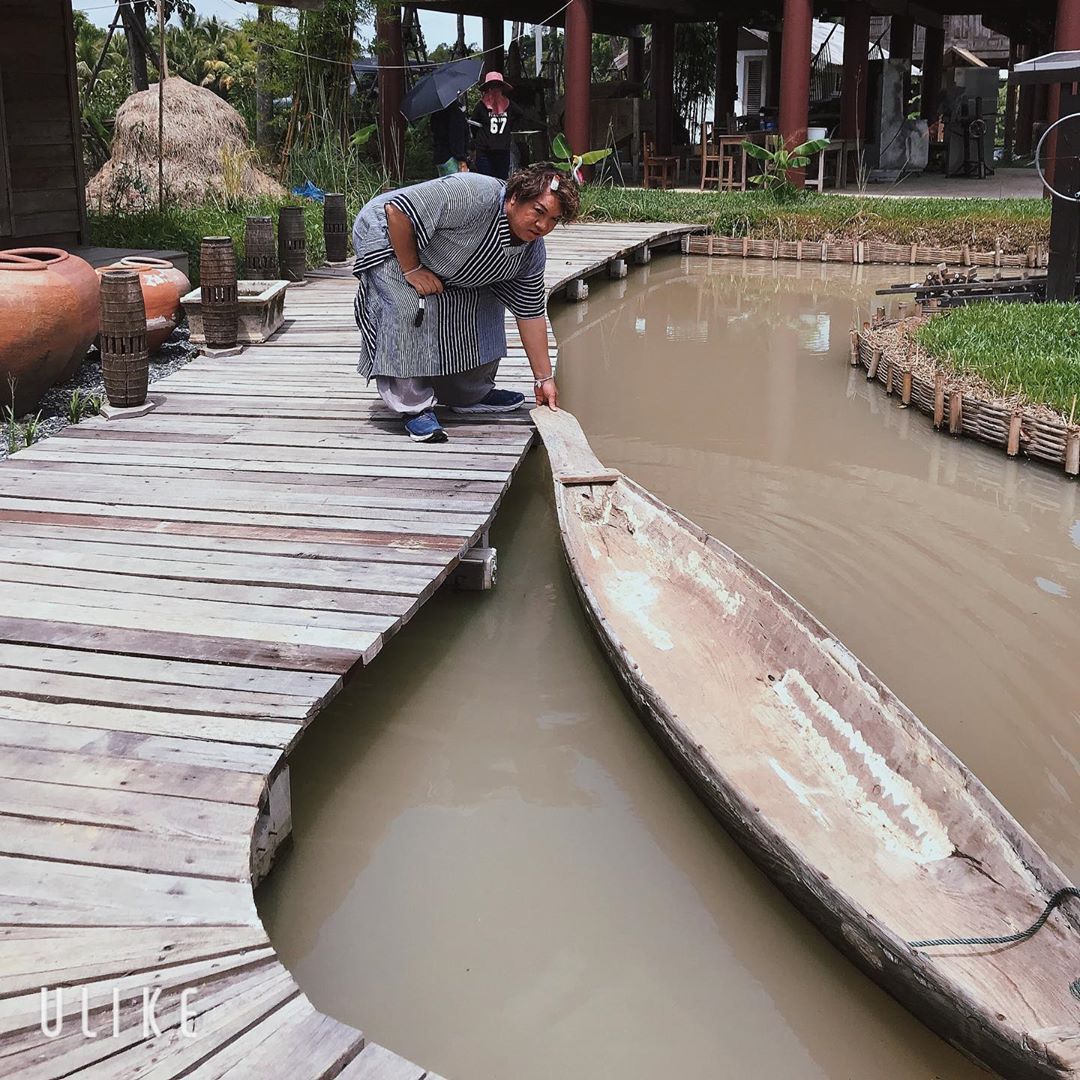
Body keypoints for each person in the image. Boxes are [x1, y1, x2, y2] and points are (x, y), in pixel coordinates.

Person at [350, 163, 580, 443]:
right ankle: (414, 407)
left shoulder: (531, 254)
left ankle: (469, 393)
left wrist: (543, 379)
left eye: (553, 220)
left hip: (449, 262)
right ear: (515, 197)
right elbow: (397, 210)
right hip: (389, 235)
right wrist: (411, 269)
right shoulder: (472, 193)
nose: (543, 226)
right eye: (539, 212)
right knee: (409, 306)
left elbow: (530, 313)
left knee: (484, 304)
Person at [471, 72, 524, 180]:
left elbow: (520, 115)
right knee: (485, 181)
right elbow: (473, 124)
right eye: (491, 86)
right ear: (487, 89)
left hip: (502, 151)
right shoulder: (481, 106)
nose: (494, 89)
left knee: (501, 182)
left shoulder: (509, 105)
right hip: (485, 152)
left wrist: (509, 127)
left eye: (497, 86)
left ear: (502, 88)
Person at [430, 94, 469, 176]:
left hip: (440, 157)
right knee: (457, 187)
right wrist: (461, 159)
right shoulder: (455, 111)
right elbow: (457, 137)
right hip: (452, 158)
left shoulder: (436, 112)